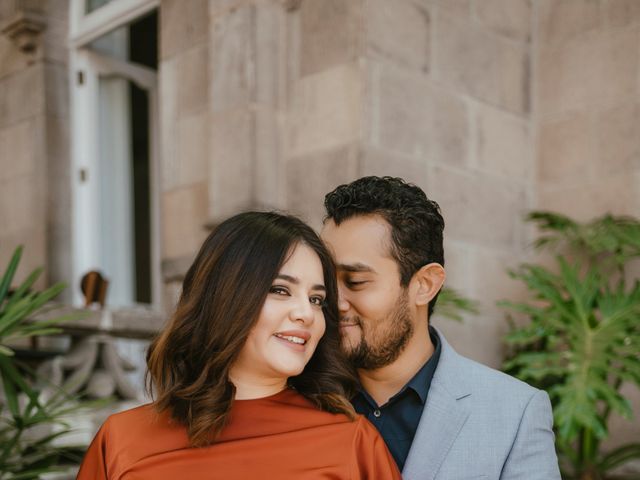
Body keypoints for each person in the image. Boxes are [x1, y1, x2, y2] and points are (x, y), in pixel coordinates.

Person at [77, 211, 401, 480]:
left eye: (317, 299)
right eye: (280, 290)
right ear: (225, 297)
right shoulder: (121, 441)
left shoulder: (351, 441)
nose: (307, 314)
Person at [321, 176, 561, 480]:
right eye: (326, 282)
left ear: (424, 285)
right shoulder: (300, 394)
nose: (334, 301)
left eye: (355, 282)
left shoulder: (515, 412)